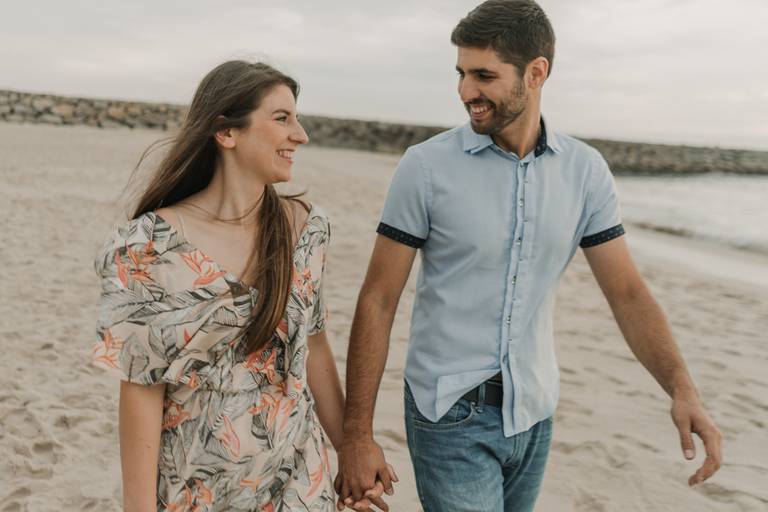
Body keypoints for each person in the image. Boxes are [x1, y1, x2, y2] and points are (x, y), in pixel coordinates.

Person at [335, 1, 723, 511]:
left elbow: (627, 293)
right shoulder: (425, 168)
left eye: (483, 75)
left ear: (536, 72)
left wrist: (682, 388)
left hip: (535, 413)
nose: (465, 91)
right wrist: (357, 435)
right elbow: (377, 300)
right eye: (461, 74)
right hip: (448, 412)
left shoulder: (585, 172)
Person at [91, 60, 390, 512]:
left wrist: (350, 449)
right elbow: (141, 387)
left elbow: (314, 349)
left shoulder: (306, 230)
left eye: (297, 118)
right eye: (282, 118)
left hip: (296, 477)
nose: (301, 135)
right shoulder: (147, 247)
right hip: (198, 486)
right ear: (226, 132)